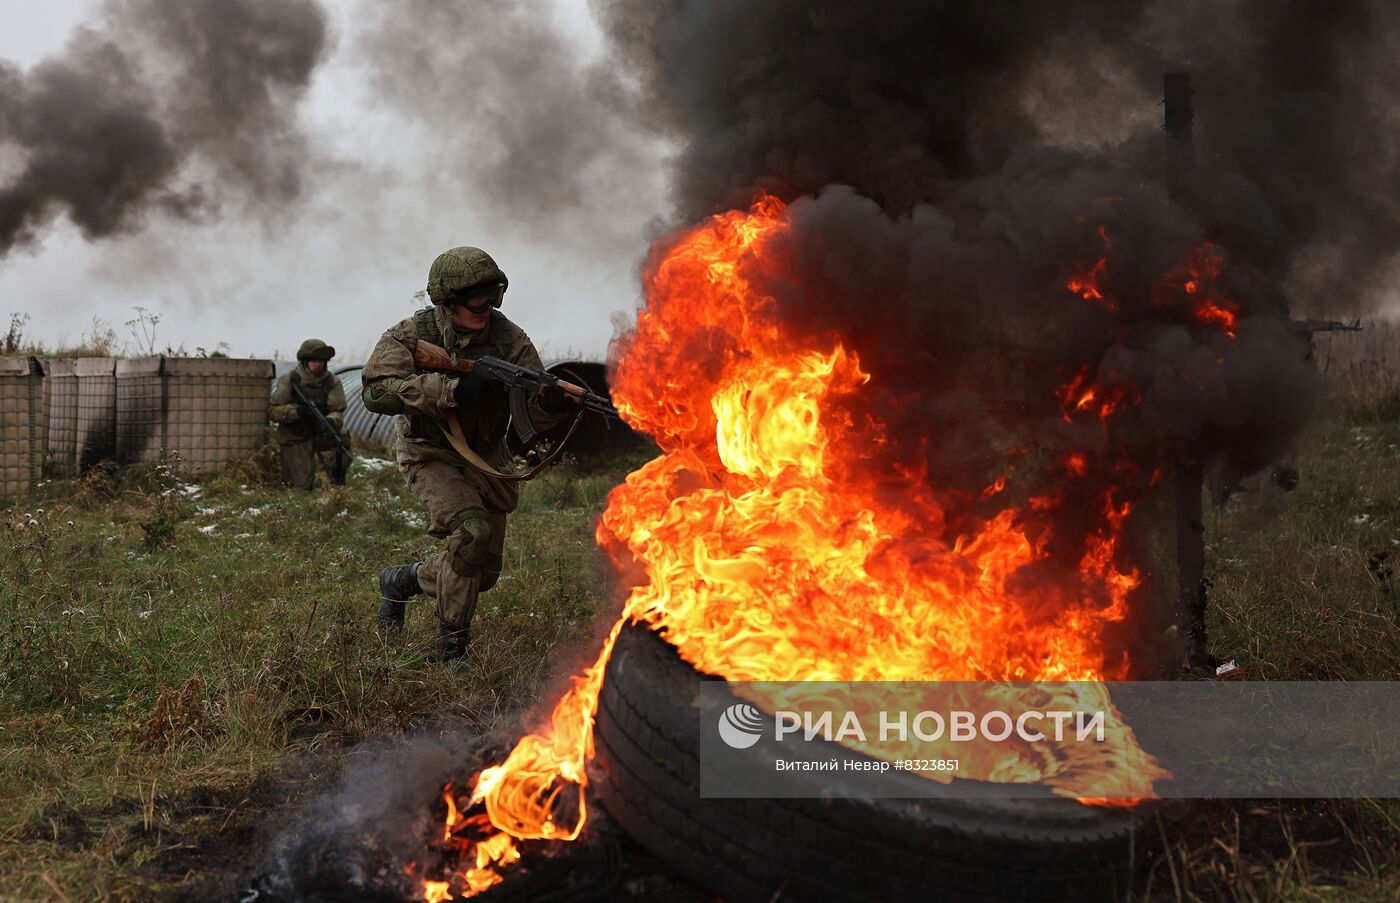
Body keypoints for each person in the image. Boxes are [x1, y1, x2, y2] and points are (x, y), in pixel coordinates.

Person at [362, 247, 575, 661]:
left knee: (484, 573)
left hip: (485, 454)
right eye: (477, 299)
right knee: (471, 533)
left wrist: (551, 405)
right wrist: (452, 391)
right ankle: (453, 652)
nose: (488, 307)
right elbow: (375, 392)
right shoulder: (409, 335)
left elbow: (533, 410)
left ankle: (401, 581)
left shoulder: (510, 339)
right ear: (447, 301)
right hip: (430, 451)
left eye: (495, 294)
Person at [269, 338, 352, 489]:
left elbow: (337, 409)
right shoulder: (289, 380)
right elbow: (272, 411)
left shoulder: (332, 382)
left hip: (320, 433)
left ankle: (336, 478)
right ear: (305, 361)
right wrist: (296, 412)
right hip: (295, 436)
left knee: (343, 436)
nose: (318, 364)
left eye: (321, 360)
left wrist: (331, 421)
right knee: (302, 487)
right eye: (313, 360)